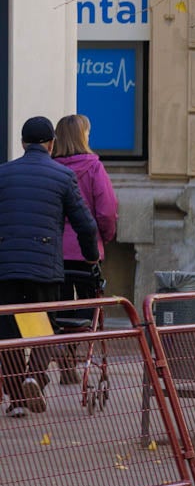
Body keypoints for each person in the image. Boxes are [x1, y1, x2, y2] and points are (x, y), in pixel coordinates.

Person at [0, 117, 100, 417]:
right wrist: (91, 256)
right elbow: (86, 224)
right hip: (45, 265)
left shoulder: (3, 174)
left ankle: (17, 401)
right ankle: (35, 376)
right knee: (46, 327)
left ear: (22, 143)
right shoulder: (62, 176)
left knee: (9, 332)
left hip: (7, 267)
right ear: (51, 144)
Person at [50, 114, 118, 301]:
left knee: (59, 310)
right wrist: (104, 236)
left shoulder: (51, 168)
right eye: (87, 132)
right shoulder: (94, 167)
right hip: (87, 249)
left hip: (55, 251)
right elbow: (107, 211)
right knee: (88, 308)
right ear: (82, 136)